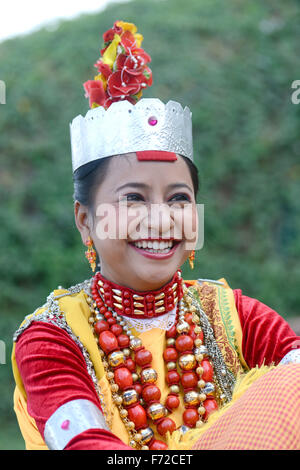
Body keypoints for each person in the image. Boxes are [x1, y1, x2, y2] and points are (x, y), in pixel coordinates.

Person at [11, 21, 300, 451]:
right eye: (134, 199)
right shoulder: (51, 338)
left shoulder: (235, 316)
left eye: (179, 198)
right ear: (85, 219)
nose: (162, 220)